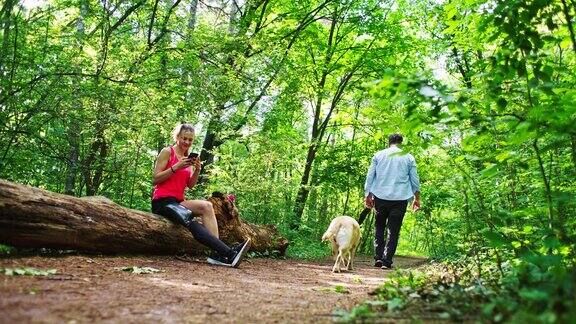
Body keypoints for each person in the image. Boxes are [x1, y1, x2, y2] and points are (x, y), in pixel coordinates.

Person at [152, 123, 250, 267]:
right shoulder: (167, 152)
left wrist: (197, 170)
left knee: (207, 206)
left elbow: (190, 185)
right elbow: (155, 178)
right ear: (177, 137)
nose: (187, 142)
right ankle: (228, 253)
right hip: (162, 202)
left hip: (178, 202)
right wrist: (176, 167)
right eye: (184, 138)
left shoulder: (188, 159)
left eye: (190, 140)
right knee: (189, 218)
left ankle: (217, 253)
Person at [364, 133, 420, 269]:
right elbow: (414, 180)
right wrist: (417, 198)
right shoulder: (409, 157)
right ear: (401, 143)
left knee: (379, 227)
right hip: (400, 199)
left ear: (389, 142)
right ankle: (387, 261)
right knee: (393, 231)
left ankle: (378, 257)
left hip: (380, 197)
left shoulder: (378, 155)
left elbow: (370, 176)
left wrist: (367, 194)